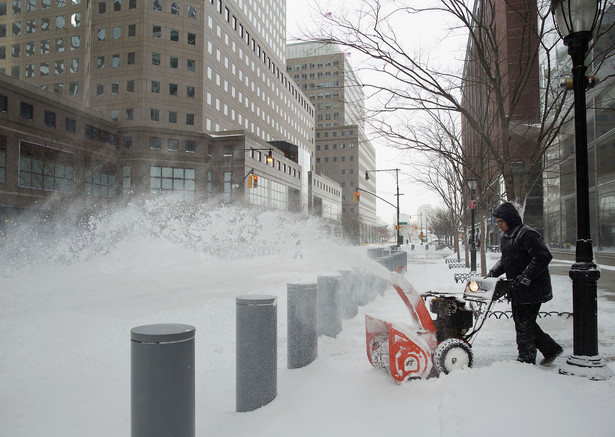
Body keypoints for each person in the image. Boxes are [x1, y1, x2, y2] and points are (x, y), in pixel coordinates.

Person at [487, 202, 563, 365]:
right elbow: (505, 260)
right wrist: (493, 273)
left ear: (510, 219)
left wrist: (525, 277)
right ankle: (550, 349)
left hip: (533, 288)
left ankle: (526, 358)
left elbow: (543, 257)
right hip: (518, 288)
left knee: (524, 324)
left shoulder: (527, 234)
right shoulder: (506, 237)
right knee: (523, 322)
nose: (499, 225)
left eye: (501, 221)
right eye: (497, 222)